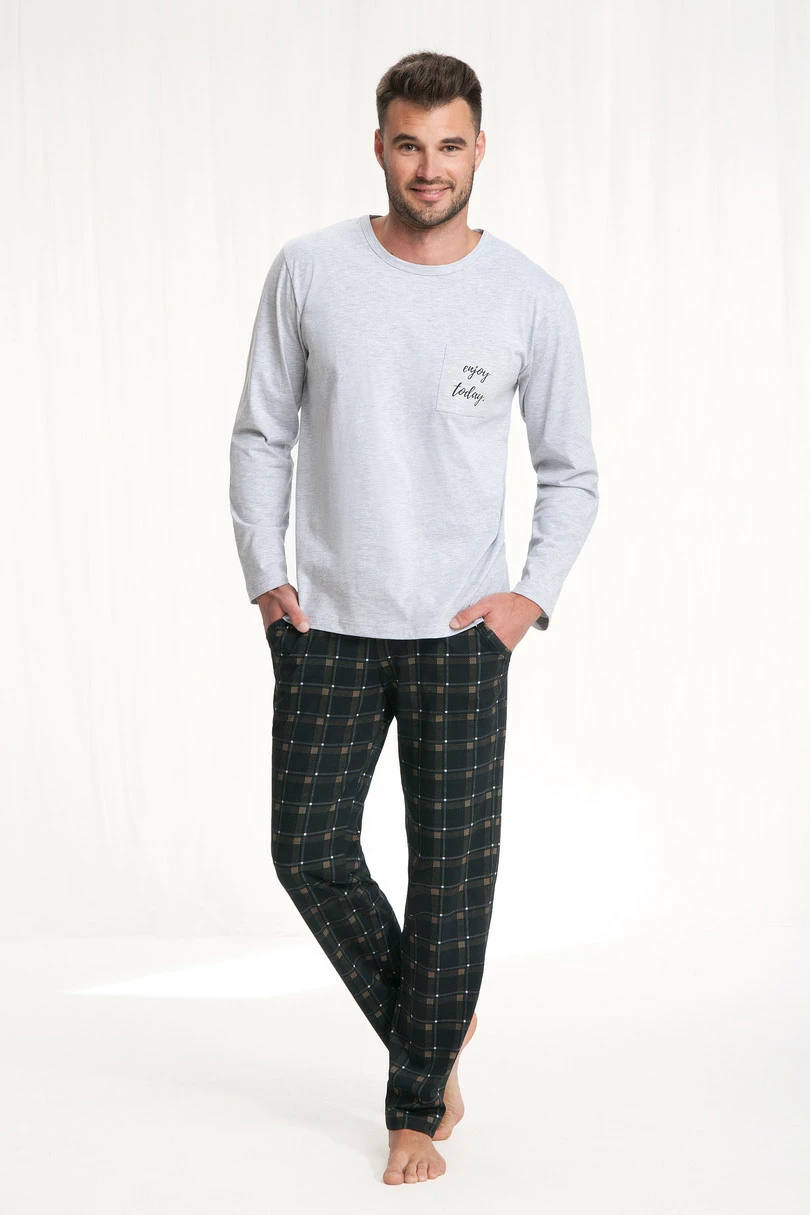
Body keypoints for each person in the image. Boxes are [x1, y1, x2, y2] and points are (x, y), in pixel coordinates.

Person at [229, 50, 599, 1185]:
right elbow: (262, 433)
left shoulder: (528, 295)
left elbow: (571, 471)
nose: (428, 167)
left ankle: (415, 1107)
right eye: (408, 144)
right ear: (379, 147)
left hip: (459, 635)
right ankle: (432, 1019)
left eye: (448, 145)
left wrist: (525, 601)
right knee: (308, 850)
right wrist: (265, 575)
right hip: (329, 625)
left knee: (451, 873)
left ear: (479, 150)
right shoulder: (310, 269)